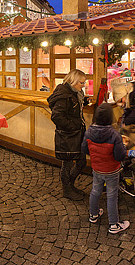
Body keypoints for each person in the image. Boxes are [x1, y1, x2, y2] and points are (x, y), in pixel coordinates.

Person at [83, 103, 131, 234]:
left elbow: (85, 149)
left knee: (95, 191)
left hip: (97, 168)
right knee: (111, 195)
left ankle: (93, 215)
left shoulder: (88, 132)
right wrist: (124, 146)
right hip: (111, 170)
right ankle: (114, 224)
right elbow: (119, 156)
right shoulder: (114, 135)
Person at [48, 69, 90, 201]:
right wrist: (73, 127)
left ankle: (70, 186)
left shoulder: (76, 93)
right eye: (81, 83)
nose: (83, 86)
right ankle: (67, 189)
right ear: (73, 82)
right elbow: (57, 116)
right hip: (68, 135)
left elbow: (73, 108)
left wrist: (84, 102)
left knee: (81, 161)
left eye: (84, 83)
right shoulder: (63, 95)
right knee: (67, 163)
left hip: (77, 133)